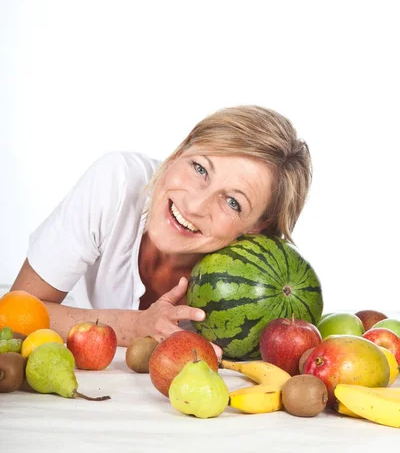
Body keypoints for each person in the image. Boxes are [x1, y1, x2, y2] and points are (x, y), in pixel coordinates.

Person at [11, 105, 312, 357]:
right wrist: (137, 325)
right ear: (181, 150)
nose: (195, 205)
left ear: (258, 228)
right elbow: (13, 314)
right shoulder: (115, 182)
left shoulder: (257, 292)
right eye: (200, 168)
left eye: (233, 202)